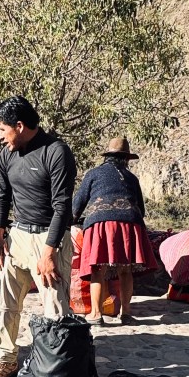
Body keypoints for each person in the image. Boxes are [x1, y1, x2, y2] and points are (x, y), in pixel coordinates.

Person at [0, 96, 76, 377]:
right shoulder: (8, 154)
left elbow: (63, 207)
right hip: (17, 237)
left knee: (55, 309)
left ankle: (56, 367)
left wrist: (48, 253)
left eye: (2, 130)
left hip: (49, 239)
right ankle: (6, 360)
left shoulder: (56, 152)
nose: (0, 137)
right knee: (7, 303)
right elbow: (1, 196)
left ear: (20, 126)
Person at [71, 136, 156, 326]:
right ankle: (126, 313)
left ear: (107, 156)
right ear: (126, 158)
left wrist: (72, 220)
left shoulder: (93, 173)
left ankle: (95, 314)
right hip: (129, 224)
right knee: (126, 270)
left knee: (97, 270)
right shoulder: (131, 178)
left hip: (100, 225)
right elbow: (141, 209)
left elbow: (77, 204)